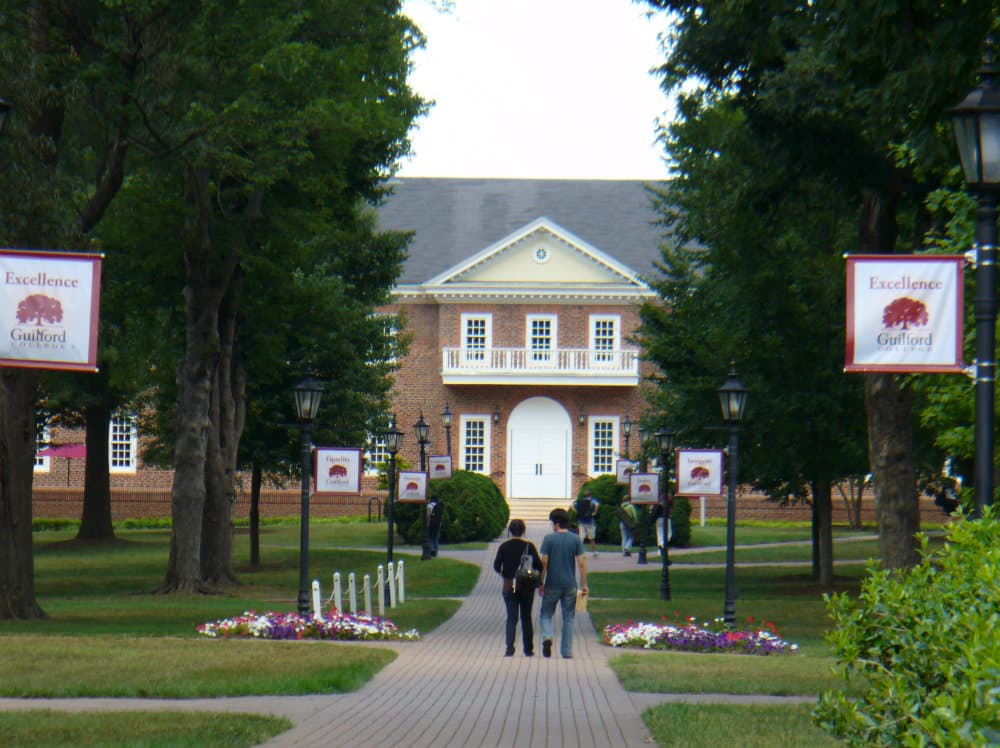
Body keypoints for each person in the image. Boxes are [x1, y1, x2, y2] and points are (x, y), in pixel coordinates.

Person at [538, 507, 588, 659]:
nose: (552, 525)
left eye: (552, 523)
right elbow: (581, 563)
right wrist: (584, 584)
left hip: (552, 583)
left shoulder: (549, 539)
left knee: (545, 614)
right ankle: (566, 651)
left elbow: (544, 562)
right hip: (570, 585)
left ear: (557, 524)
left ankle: (547, 636)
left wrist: (541, 582)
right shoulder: (575, 539)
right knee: (569, 618)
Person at [492, 519, 542, 657]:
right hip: (526, 586)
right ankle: (528, 649)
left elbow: (496, 566)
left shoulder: (504, 547)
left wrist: (505, 576)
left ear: (509, 531)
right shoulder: (529, 546)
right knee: (526, 617)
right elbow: (539, 566)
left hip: (509, 585)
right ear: (523, 531)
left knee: (511, 617)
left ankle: (509, 648)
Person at [572, 490, 600, 557]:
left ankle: (580, 552)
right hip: (590, 522)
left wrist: (576, 512)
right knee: (591, 538)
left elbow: (572, 505)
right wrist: (594, 512)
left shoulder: (580, 501)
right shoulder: (592, 501)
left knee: (581, 537)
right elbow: (597, 505)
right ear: (590, 495)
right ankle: (594, 552)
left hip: (581, 521)